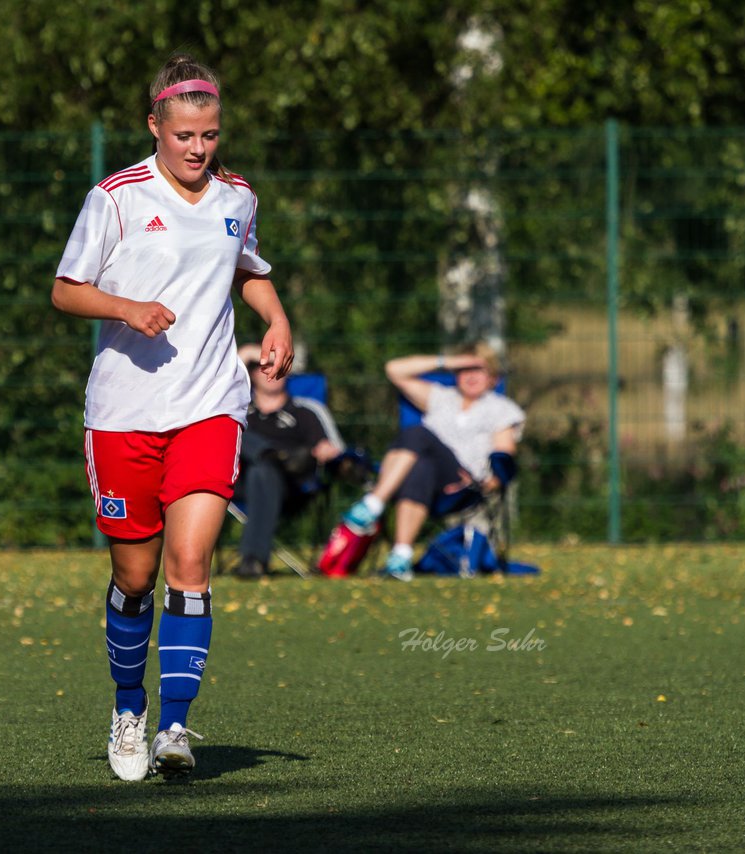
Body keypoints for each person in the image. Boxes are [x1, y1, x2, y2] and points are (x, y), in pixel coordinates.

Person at [52, 54, 294, 781]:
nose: (198, 149)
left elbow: (245, 267)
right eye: (185, 134)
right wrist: (126, 308)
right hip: (124, 412)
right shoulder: (116, 197)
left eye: (210, 135)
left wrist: (276, 316)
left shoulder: (237, 195)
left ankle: (176, 726)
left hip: (208, 402)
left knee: (191, 567)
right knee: (135, 575)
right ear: (155, 126)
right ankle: (130, 709)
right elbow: (66, 290)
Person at [340, 342, 524, 581]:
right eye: (465, 369)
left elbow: (503, 456)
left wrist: (490, 483)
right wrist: (450, 361)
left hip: (463, 481)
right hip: (423, 477)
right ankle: (400, 558)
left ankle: (373, 503)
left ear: (493, 377)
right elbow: (394, 370)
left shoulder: (501, 409)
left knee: (417, 433)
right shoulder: (441, 397)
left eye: (478, 370)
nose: (470, 376)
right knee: (421, 466)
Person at [232, 342, 345, 579]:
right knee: (234, 431)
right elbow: (229, 367)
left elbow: (333, 448)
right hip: (241, 485)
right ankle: (272, 454)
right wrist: (259, 351)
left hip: (291, 486)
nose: (273, 371)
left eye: (280, 365)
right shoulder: (240, 409)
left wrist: (326, 450)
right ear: (251, 373)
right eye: (265, 366)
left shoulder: (305, 411)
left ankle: (252, 560)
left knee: (262, 471)